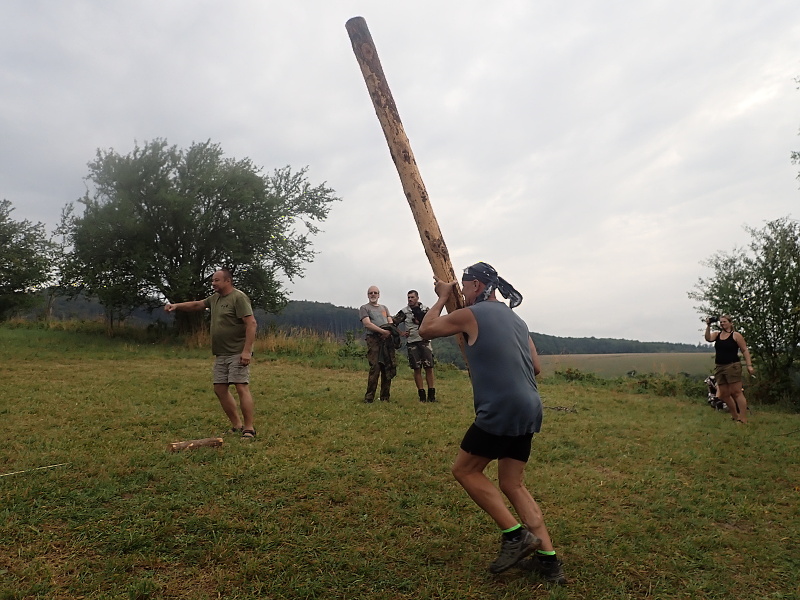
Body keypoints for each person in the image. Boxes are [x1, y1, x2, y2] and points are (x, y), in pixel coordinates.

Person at [419, 262, 565, 584]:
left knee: (465, 470)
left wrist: (443, 296)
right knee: (513, 484)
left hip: (501, 407)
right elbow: (536, 367)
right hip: (530, 406)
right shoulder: (518, 320)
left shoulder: (475, 313)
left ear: (473, 286)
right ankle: (549, 562)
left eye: (463, 287)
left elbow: (426, 330)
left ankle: (515, 536)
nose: (463, 292)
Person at [165, 268, 258, 438]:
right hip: (221, 353)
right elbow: (197, 304)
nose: (213, 283)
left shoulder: (238, 297)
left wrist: (247, 351)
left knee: (240, 386)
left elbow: (251, 323)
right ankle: (237, 425)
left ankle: (249, 428)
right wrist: (176, 306)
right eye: (212, 281)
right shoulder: (215, 299)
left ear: (227, 281)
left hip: (237, 352)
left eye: (216, 280)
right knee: (219, 388)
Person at [704, 315, 754, 424]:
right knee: (723, 394)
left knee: (736, 392)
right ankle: (735, 415)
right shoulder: (717, 335)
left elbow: (745, 350)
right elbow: (708, 338)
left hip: (732, 366)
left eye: (724, 322)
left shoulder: (735, 335)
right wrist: (708, 326)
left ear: (730, 323)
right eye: (721, 322)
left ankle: (743, 418)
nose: (722, 324)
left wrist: (749, 365)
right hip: (719, 366)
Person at [359, 286, 397, 403]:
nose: (373, 294)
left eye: (375, 293)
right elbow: (367, 324)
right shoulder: (364, 308)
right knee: (375, 367)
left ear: (379, 295)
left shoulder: (384, 308)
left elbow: (390, 321)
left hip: (387, 340)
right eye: (371, 293)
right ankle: (369, 397)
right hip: (373, 339)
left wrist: (389, 331)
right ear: (367, 295)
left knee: (388, 367)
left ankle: (385, 397)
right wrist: (382, 332)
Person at [399, 290, 437, 402]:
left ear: (417, 298)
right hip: (412, 342)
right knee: (417, 369)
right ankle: (421, 396)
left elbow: (433, 321)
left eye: (412, 297)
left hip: (425, 341)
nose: (410, 299)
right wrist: (401, 333)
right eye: (408, 297)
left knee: (429, 367)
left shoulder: (425, 309)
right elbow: (393, 322)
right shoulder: (404, 312)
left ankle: (431, 395)